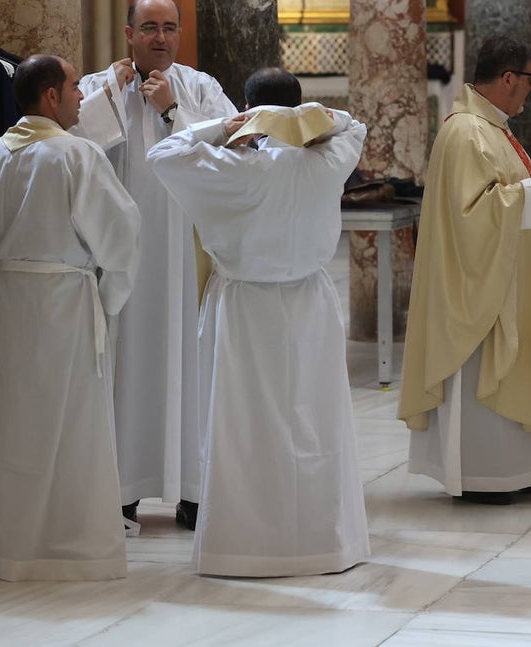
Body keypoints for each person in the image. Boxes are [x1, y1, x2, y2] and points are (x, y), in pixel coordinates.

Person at [145, 67, 370, 577]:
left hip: (245, 311)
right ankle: (321, 543)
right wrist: (307, 120)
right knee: (313, 423)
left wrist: (224, 127)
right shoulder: (326, 160)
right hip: (308, 305)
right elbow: (353, 125)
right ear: (297, 107)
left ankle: (244, 547)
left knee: (244, 430)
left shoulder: (232, 168)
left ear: (246, 110)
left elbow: (163, 154)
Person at [0, 54, 141, 580]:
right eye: (75, 87)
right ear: (51, 97)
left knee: (13, 423)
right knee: (70, 424)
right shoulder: (75, 155)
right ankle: (70, 546)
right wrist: (107, 300)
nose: (83, 95)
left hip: (12, 303)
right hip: (65, 301)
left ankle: (5, 544)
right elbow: (121, 234)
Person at [70, 0, 237, 531]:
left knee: (188, 366)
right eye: (148, 27)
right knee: (125, 364)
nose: (159, 38)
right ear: (128, 34)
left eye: (168, 27)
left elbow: (236, 145)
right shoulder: (99, 86)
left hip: (185, 253)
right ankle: (122, 488)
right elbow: (74, 150)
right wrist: (112, 99)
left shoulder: (200, 87)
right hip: (122, 256)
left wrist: (172, 110)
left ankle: (191, 488)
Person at [397, 36, 531, 505]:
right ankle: (485, 474)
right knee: (485, 369)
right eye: (530, 80)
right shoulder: (467, 133)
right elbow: (471, 216)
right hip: (476, 283)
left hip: (506, 274)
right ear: (508, 78)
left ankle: (520, 469)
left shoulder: (490, 127)